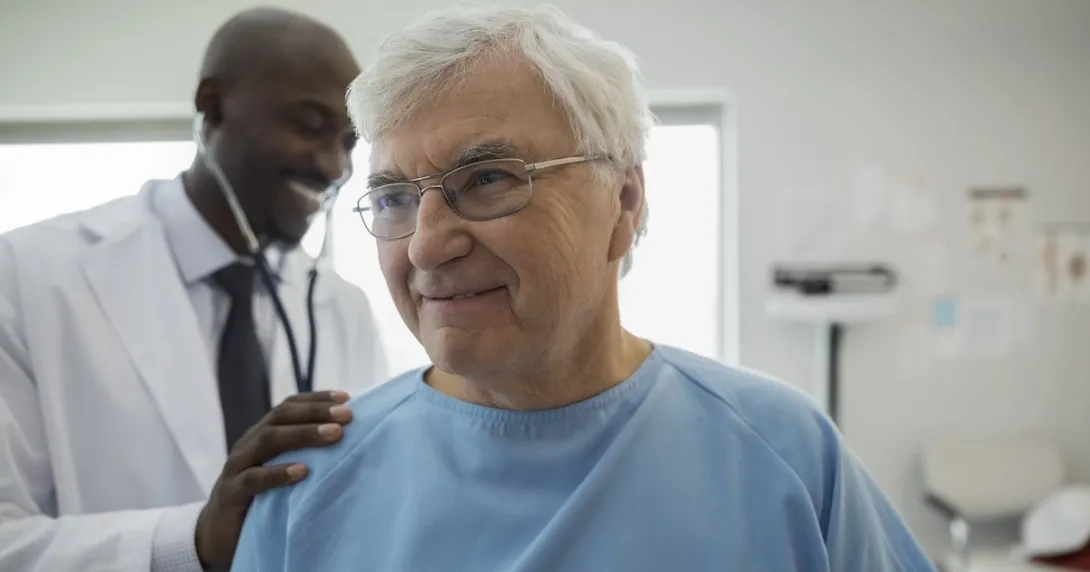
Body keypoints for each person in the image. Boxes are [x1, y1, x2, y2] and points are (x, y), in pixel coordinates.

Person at [231, 4, 936, 572]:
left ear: (623, 203)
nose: (425, 245)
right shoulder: (308, 486)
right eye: (394, 198)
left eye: (488, 179)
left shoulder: (784, 455)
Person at [0, 7, 387, 572]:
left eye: (349, 142)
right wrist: (193, 542)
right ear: (213, 105)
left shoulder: (341, 307)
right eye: (308, 124)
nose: (334, 167)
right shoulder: (26, 275)